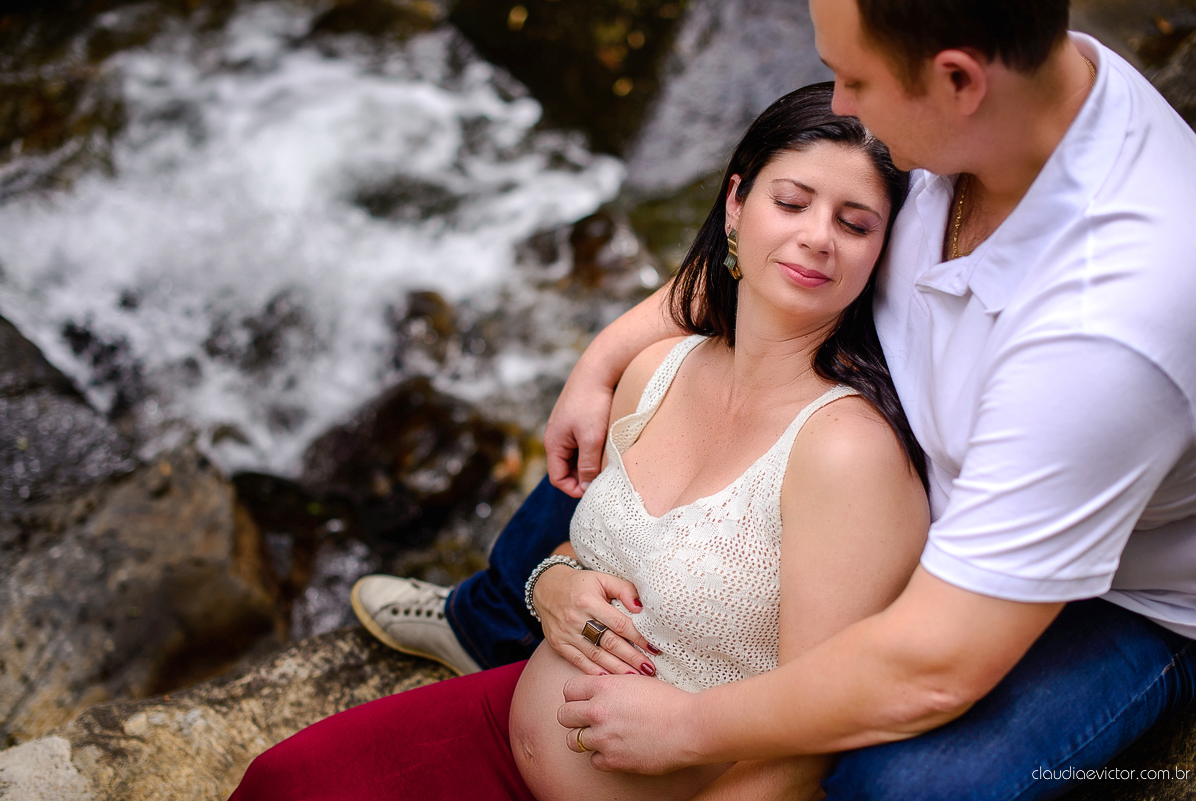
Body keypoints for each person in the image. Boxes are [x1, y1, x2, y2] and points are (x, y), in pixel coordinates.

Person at [358, 1, 1196, 799]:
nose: (840, 101)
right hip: (955, 434)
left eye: (855, 78)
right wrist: (602, 359)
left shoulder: (1105, 330)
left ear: (955, 81)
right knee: (651, 410)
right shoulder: (1002, 108)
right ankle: (491, 620)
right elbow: (768, 255)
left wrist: (691, 726)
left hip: (1121, 586)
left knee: (896, 785)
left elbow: (933, 665)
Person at [231, 83, 932, 801]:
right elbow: (604, 551)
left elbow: (812, 740)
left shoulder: (847, 455)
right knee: (278, 782)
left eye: (854, 224)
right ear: (735, 203)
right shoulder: (656, 372)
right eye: (791, 203)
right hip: (507, 729)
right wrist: (552, 585)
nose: (818, 236)